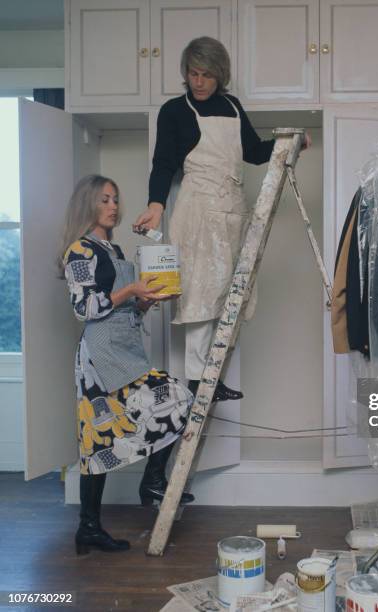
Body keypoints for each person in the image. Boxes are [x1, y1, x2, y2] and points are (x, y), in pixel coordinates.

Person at [133, 36, 310, 402]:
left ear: (220, 76)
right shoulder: (174, 111)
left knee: (226, 295)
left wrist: (292, 143)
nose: (198, 82)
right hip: (197, 210)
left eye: (206, 75)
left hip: (231, 211)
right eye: (192, 73)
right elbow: (163, 163)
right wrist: (155, 205)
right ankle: (198, 379)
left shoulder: (231, 106)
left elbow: (255, 152)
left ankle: (211, 376)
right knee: (199, 293)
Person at [60, 174, 196, 555]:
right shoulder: (79, 252)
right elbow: (84, 308)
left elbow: (122, 310)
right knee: (96, 443)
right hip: (98, 355)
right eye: (105, 199)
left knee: (172, 400)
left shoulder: (115, 251)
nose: (113, 206)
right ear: (88, 203)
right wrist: (130, 290)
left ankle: (146, 484)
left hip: (124, 345)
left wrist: (143, 302)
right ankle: (92, 525)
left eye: (116, 199)